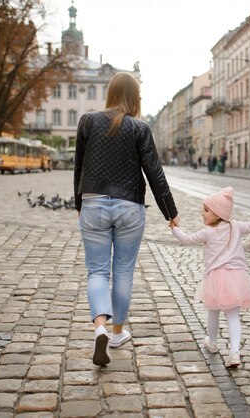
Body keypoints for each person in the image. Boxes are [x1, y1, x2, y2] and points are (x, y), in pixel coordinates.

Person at [74, 72, 179, 366]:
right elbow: (154, 173)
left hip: (93, 202)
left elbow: (78, 166)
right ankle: (117, 333)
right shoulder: (139, 128)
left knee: (97, 271)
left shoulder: (88, 121)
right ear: (134, 97)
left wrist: (79, 202)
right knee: (122, 272)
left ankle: (99, 329)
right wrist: (170, 212)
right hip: (130, 208)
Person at [170, 187, 250, 368]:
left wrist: (175, 228)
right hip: (237, 277)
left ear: (218, 214)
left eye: (206, 210)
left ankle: (213, 342)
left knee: (213, 311)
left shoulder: (207, 232)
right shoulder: (236, 226)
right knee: (233, 317)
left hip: (216, 278)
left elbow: (187, 239)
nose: (203, 214)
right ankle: (234, 353)